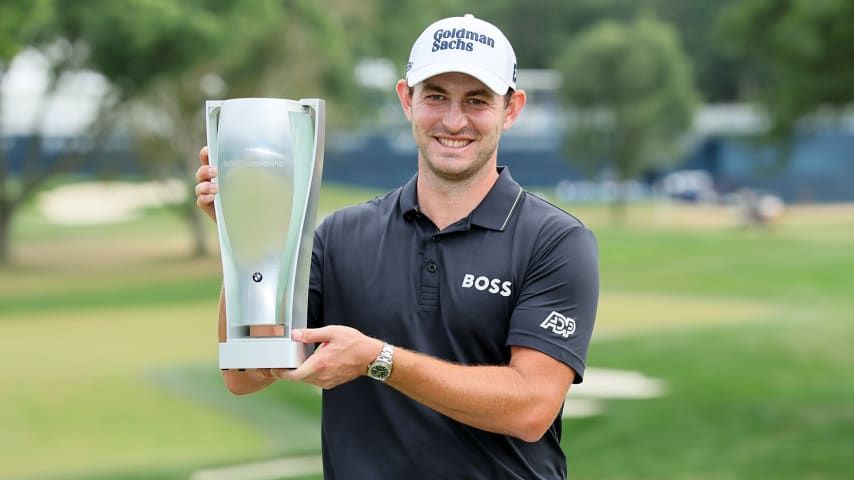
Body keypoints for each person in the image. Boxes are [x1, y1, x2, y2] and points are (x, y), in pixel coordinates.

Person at [195, 14, 599, 479]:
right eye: (435, 96)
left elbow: (529, 408)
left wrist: (378, 360)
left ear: (511, 109)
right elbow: (244, 375)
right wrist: (243, 236)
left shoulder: (556, 241)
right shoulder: (340, 235)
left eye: (476, 100)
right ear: (407, 100)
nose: (453, 120)